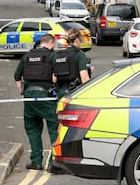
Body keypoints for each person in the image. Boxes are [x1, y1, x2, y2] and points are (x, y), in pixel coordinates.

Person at [14, 33, 59, 173]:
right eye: (54, 45)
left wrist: (22, 92)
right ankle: (54, 163)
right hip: (46, 96)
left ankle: (36, 161)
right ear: (51, 43)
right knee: (54, 129)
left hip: (29, 96)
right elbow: (55, 77)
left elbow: (17, 77)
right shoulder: (52, 56)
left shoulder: (27, 57)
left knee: (33, 129)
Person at [52, 28, 91, 98]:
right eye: (81, 40)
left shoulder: (58, 54)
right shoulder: (79, 54)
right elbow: (84, 78)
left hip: (60, 93)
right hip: (74, 92)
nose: (81, 43)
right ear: (76, 40)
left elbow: (54, 78)